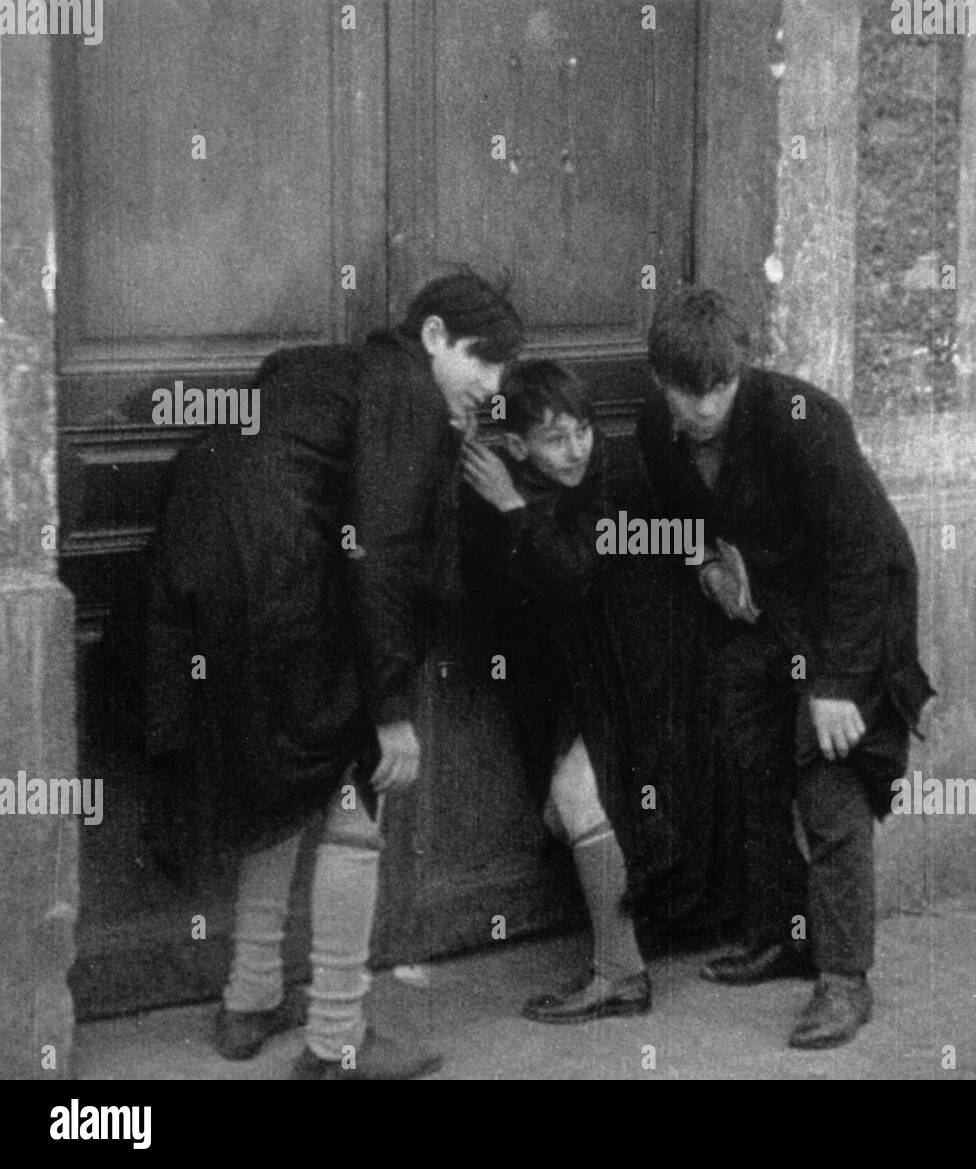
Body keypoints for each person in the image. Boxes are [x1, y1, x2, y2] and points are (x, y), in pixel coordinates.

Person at [144, 268, 523, 1079]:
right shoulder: (409, 397)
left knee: (282, 786)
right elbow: (381, 552)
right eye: (481, 362)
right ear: (431, 338)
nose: (491, 387)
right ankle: (337, 1040)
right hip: (284, 592)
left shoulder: (331, 370)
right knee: (357, 788)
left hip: (202, 589)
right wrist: (389, 707)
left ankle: (248, 1000)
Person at [636, 288, 936, 1050]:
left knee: (829, 783)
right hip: (763, 614)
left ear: (740, 369)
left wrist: (836, 684)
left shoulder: (804, 419)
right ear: (659, 379)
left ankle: (844, 978)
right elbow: (686, 525)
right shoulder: (654, 431)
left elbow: (860, 556)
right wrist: (704, 562)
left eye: (718, 389)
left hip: (849, 615)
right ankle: (783, 933)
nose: (703, 408)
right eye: (686, 391)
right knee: (750, 765)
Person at [459, 358, 673, 1023]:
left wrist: (515, 509)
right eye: (556, 438)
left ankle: (620, 972)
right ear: (517, 446)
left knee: (580, 796)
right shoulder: (495, 487)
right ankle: (630, 944)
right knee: (564, 810)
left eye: (582, 428)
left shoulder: (606, 475)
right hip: (562, 678)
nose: (577, 447)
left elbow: (572, 573)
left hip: (634, 669)